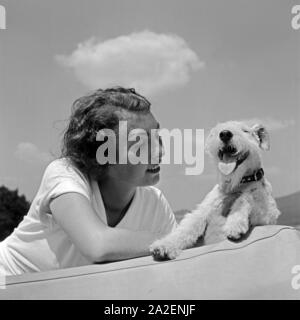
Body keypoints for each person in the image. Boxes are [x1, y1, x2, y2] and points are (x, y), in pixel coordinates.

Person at [0, 87, 177, 276]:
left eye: (157, 137)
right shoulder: (65, 174)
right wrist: (181, 238)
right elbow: (98, 245)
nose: (159, 151)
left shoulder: (155, 204)